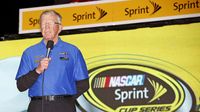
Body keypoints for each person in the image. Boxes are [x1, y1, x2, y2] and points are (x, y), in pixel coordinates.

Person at [15, 10, 89, 112]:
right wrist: (37, 70)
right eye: (43, 24)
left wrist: (65, 99)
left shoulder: (73, 51)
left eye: (50, 23)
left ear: (60, 28)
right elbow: (21, 86)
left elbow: (84, 84)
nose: (46, 27)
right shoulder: (29, 52)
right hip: (37, 106)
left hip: (64, 106)